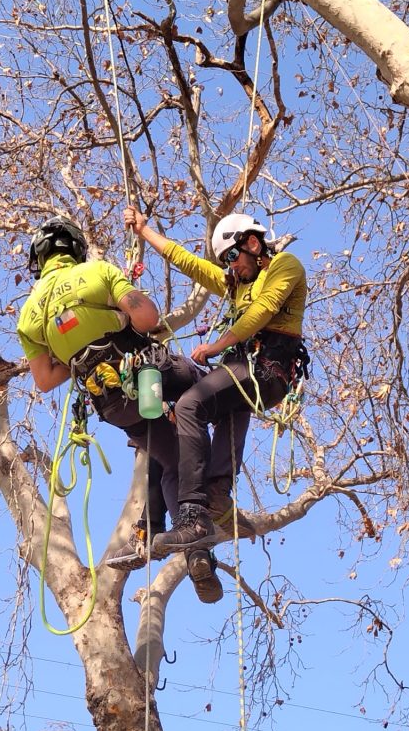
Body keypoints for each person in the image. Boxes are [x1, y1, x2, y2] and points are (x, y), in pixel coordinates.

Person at [16, 215, 212, 595]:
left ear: (39, 261)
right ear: (75, 248)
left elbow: (45, 379)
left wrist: (78, 350)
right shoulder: (97, 271)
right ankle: (206, 496)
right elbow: (147, 317)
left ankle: (186, 548)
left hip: (114, 404)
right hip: (149, 377)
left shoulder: (28, 317)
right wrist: (119, 320)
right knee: (208, 387)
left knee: (168, 457)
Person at [123, 208, 308, 583]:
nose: (231, 266)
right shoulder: (235, 282)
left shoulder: (284, 266)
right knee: (168, 415)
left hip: (266, 370)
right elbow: (188, 263)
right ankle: (185, 521)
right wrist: (144, 231)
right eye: (226, 261)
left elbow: (262, 311)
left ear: (253, 243)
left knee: (191, 404)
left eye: (233, 256)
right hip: (237, 370)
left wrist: (216, 345)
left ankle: (194, 516)